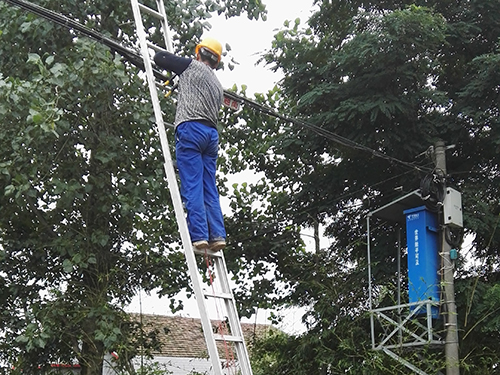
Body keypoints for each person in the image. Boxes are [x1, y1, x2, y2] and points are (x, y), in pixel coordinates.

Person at [154, 38, 226, 252]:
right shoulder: (218, 85)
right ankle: (218, 235)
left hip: (191, 129)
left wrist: (179, 68)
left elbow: (160, 58)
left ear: (199, 53)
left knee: (192, 185)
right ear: (216, 62)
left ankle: (200, 236)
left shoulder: (191, 66)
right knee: (209, 187)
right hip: (211, 135)